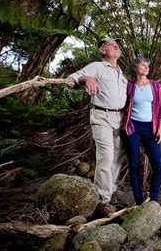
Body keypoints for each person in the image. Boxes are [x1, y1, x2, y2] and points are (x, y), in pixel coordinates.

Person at [68, 37, 127, 215]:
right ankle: (102, 201)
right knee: (106, 157)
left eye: (117, 45)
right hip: (102, 116)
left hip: (121, 119)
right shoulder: (97, 66)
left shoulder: (121, 73)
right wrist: (87, 79)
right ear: (102, 50)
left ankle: (111, 191)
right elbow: (71, 78)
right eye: (111, 44)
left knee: (118, 157)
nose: (115, 46)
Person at [123, 56, 161, 205]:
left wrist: (160, 129)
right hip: (132, 127)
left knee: (159, 164)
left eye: (147, 65)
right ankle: (138, 201)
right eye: (143, 65)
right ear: (135, 68)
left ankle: (153, 199)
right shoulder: (129, 86)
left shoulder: (155, 86)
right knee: (134, 164)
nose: (146, 67)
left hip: (151, 128)